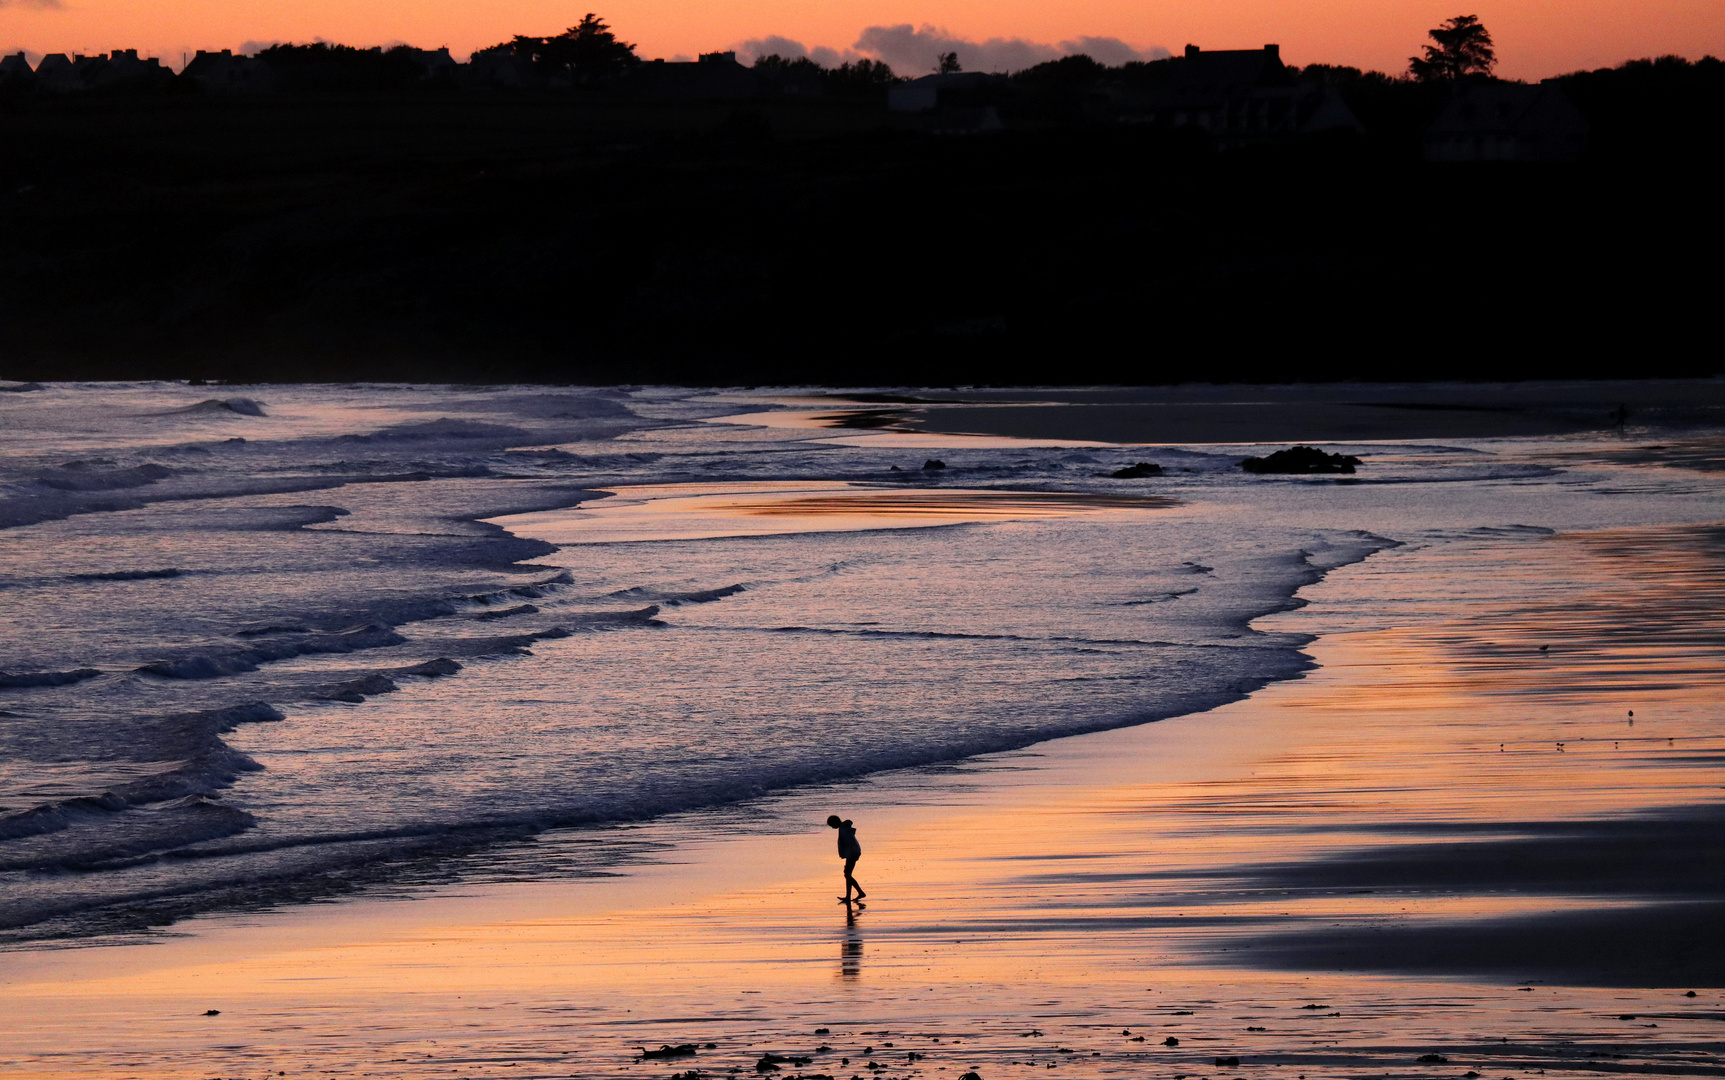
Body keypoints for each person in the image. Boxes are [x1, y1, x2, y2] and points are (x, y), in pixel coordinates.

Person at [826, 814, 865, 902]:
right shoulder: (844, 828)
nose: (832, 828)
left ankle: (860, 892)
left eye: (832, 825)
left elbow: (849, 843)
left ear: (835, 823)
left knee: (847, 874)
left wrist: (848, 855)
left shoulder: (843, 830)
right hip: (852, 853)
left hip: (852, 853)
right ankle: (848, 896)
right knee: (847, 874)